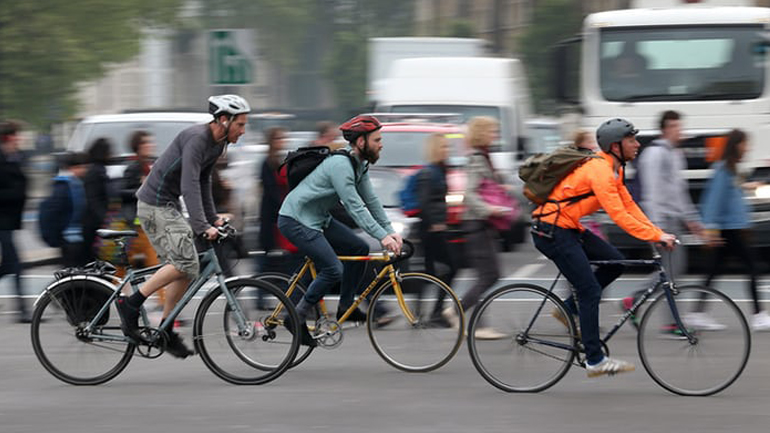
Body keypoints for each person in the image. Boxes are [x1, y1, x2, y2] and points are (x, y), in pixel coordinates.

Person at [531, 118, 676, 377]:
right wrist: (655, 235)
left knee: (616, 262)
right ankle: (594, 360)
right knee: (589, 290)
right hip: (551, 231)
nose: (637, 144)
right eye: (631, 140)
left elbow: (629, 206)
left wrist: (657, 233)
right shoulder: (599, 170)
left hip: (568, 227)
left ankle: (568, 309)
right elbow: (619, 215)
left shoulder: (615, 169)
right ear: (615, 146)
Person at [116, 94, 250, 359]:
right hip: (154, 204)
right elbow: (188, 184)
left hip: (169, 205)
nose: (243, 131)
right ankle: (131, 303)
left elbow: (202, 183)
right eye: (241, 125)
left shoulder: (217, 144)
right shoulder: (197, 139)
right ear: (223, 120)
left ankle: (165, 328)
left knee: (188, 266)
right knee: (184, 262)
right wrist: (202, 225)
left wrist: (212, 219)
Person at [277, 114, 403, 346]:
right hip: (296, 220)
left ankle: (347, 305)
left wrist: (390, 230)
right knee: (333, 269)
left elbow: (372, 201)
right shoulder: (340, 165)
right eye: (377, 140)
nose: (381, 143)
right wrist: (382, 236)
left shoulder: (359, 165)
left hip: (318, 219)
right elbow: (355, 207)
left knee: (359, 247)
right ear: (361, 142)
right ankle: (295, 316)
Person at [622, 111, 704, 333]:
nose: (680, 131)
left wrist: (692, 220)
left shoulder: (676, 154)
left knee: (672, 271)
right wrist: (655, 229)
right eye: (675, 127)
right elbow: (652, 193)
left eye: (680, 126)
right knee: (670, 272)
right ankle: (671, 321)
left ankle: (633, 300)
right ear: (665, 129)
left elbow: (680, 192)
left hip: (674, 220)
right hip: (660, 222)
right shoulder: (654, 154)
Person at [692, 129, 770, 332]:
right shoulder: (723, 169)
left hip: (732, 228)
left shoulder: (732, 169)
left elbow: (732, 195)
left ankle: (697, 313)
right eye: (745, 144)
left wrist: (748, 186)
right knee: (753, 267)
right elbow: (714, 201)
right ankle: (758, 315)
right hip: (728, 230)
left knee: (713, 271)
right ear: (736, 145)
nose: (748, 148)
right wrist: (710, 231)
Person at [442, 116, 508, 340]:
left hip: (481, 224)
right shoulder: (477, 158)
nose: (495, 135)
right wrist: (489, 209)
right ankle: (458, 311)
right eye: (492, 131)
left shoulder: (484, 157)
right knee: (490, 275)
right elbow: (469, 194)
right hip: (477, 224)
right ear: (481, 133)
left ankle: (479, 324)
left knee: (486, 275)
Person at [416, 132, 460, 327]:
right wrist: (434, 222)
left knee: (431, 273)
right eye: (443, 147)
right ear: (435, 149)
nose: (447, 150)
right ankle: (432, 314)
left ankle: (424, 314)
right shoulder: (429, 172)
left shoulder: (440, 170)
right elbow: (424, 202)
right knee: (448, 269)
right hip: (430, 231)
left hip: (437, 228)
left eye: (447, 147)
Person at [120, 131, 166, 309]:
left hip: (147, 226)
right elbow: (121, 192)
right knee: (121, 268)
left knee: (156, 264)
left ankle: (162, 302)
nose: (151, 145)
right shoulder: (132, 167)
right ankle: (117, 297)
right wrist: (142, 187)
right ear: (138, 147)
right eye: (147, 143)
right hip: (134, 226)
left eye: (151, 142)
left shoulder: (149, 165)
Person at [0, 121, 30, 322]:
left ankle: (22, 310)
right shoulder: (3, 159)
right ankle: (22, 311)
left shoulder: (12, 157)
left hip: (9, 219)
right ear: (8, 138)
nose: (19, 139)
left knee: (10, 265)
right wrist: (17, 193)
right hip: (2, 219)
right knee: (15, 265)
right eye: (16, 136)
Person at [56, 152, 90, 268]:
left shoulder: (76, 183)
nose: (84, 170)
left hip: (74, 236)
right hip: (70, 237)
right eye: (81, 167)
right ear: (72, 168)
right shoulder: (70, 185)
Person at [82, 138, 113, 263]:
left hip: (93, 222)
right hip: (94, 224)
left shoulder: (96, 170)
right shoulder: (96, 172)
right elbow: (94, 200)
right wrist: (105, 220)